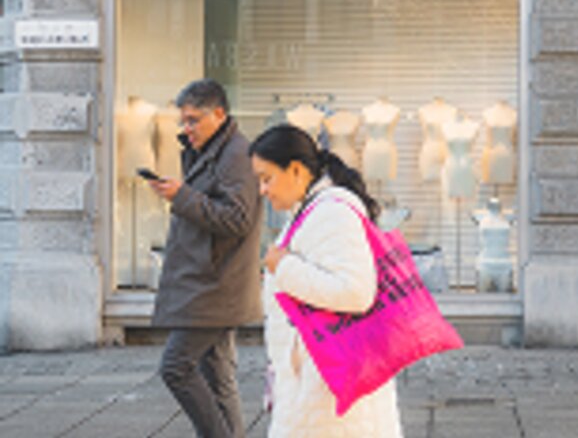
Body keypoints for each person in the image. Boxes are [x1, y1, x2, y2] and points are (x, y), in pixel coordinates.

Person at [249, 124, 403, 437]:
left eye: (267, 179)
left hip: (328, 391)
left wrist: (284, 266)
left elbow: (356, 291)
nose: (262, 190)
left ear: (295, 170)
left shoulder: (332, 211)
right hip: (317, 385)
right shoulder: (310, 209)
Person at [145, 79, 263, 438]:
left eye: (194, 120)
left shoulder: (236, 155)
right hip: (210, 281)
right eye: (183, 121)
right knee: (219, 376)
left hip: (214, 285)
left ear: (220, 114)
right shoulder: (213, 150)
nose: (187, 128)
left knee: (176, 368)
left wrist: (182, 196)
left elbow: (237, 219)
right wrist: (182, 193)